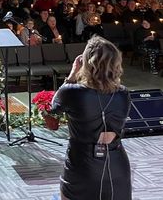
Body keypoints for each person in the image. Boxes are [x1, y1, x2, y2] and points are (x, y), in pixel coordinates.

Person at [51, 36, 131, 200]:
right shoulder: (123, 93)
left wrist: (72, 75)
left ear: (87, 63)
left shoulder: (73, 92)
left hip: (82, 165)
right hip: (117, 166)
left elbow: (54, 107)